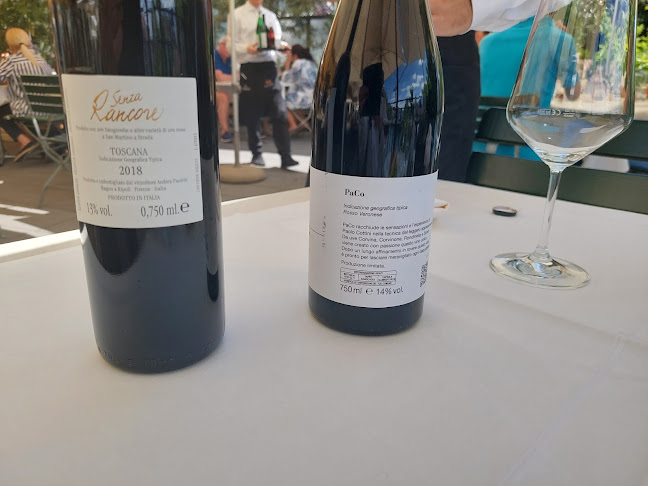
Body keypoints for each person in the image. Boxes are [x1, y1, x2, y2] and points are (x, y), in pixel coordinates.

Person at [226, 0, 298, 168]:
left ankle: (286, 156)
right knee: (252, 114)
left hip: (269, 67)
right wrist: (247, 48)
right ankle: (257, 154)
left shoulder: (270, 16)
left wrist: (282, 48)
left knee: (279, 111)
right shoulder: (237, 15)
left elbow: (276, 41)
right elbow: (230, 45)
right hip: (249, 68)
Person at [0, 28, 54, 162]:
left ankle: (25, 141)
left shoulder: (11, 61)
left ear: (10, 44)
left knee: (2, 110)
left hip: (26, 110)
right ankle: (44, 143)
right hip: (49, 109)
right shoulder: (40, 60)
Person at [281, 44, 317, 133]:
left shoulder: (298, 63)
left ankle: (292, 124)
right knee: (295, 95)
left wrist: (288, 63)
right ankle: (304, 123)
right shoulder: (311, 63)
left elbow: (286, 79)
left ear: (295, 55)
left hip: (306, 98)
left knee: (281, 99)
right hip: (314, 97)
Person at [214, 36, 234, 143]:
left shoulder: (230, 59)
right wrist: (234, 76)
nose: (230, 49)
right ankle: (225, 131)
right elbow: (220, 77)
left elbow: (240, 75)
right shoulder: (215, 56)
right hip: (211, 91)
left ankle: (262, 128)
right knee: (223, 97)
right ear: (220, 45)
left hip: (227, 89)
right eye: (227, 46)